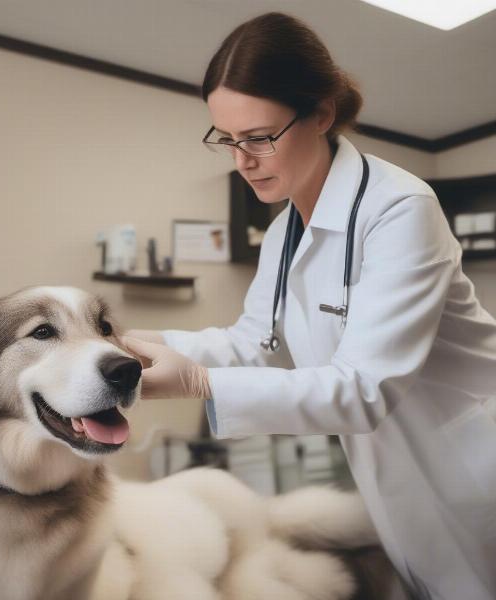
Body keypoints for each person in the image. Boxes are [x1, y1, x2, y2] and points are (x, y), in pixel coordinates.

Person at [123, 12, 496, 600]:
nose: (242, 159)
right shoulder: (284, 232)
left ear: (322, 113)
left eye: (260, 136)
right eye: (228, 138)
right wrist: (139, 347)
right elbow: (257, 343)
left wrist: (197, 381)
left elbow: (365, 388)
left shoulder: (399, 208)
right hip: (400, 480)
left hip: (473, 471)